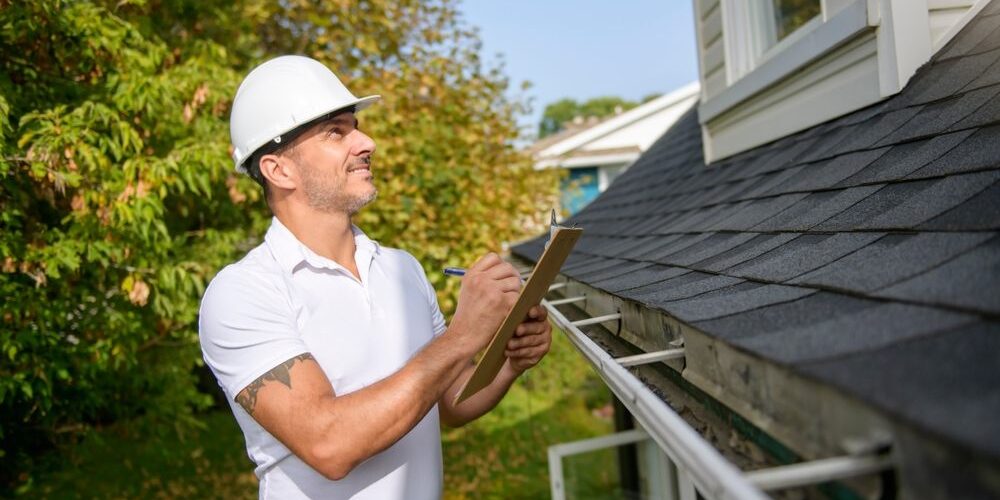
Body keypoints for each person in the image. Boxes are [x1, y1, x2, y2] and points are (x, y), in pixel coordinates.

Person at [198, 55, 552, 499]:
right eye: (336, 132)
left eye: (356, 126)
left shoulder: (402, 268)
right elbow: (330, 445)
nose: (366, 142)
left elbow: (447, 403)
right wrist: (462, 335)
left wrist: (509, 363)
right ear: (278, 169)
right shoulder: (244, 293)